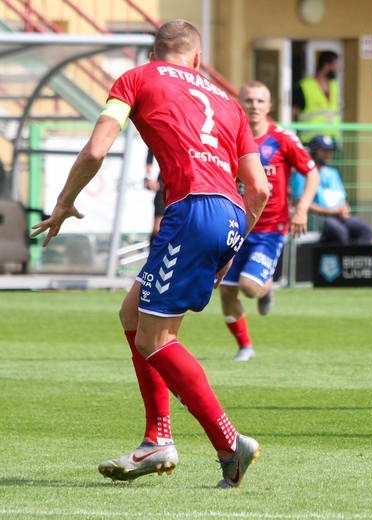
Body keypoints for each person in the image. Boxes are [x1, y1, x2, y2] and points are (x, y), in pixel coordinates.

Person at [31, 20, 270, 488]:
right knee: (132, 315)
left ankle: (229, 443)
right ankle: (157, 436)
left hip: (191, 209)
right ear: (197, 59)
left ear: (155, 52)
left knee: (155, 339)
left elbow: (97, 151)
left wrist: (63, 201)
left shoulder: (138, 78)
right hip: (229, 216)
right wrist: (232, 244)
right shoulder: (228, 100)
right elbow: (259, 188)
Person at [220, 81, 319, 362]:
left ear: (269, 106)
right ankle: (245, 346)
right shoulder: (228, 137)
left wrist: (301, 209)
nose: (254, 106)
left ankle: (266, 288)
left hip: (269, 229)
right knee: (226, 291)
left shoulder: (282, 138)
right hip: (235, 225)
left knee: (249, 287)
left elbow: (312, 174)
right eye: (249, 101)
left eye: (260, 101)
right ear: (239, 103)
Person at [290, 134, 372, 246]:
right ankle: (340, 261)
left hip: (339, 216)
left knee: (366, 231)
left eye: (329, 151)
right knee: (340, 233)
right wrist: (331, 212)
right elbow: (298, 202)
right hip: (319, 219)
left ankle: (352, 261)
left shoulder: (333, 173)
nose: (327, 154)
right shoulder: (300, 175)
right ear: (314, 151)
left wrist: (344, 208)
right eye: (323, 151)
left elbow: (342, 198)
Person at [292, 50, 341, 145]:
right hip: (310, 140)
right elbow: (293, 112)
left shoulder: (334, 85)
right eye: (336, 65)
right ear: (327, 65)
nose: (338, 69)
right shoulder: (305, 86)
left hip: (332, 139)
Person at [143, 148, 164, 240]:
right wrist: (148, 177)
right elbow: (151, 151)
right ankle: (154, 253)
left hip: (185, 187)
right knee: (158, 229)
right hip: (164, 186)